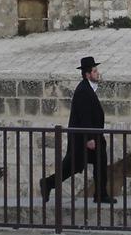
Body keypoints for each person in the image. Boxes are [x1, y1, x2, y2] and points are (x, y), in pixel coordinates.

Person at [40, 56, 116, 205]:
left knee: (98, 163)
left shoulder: (87, 89)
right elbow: (84, 116)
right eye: (95, 71)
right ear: (88, 74)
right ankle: (48, 183)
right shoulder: (83, 91)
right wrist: (89, 138)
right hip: (84, 139)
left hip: (89, 137)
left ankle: (100, 194)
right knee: (72, 166)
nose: (98, 73)